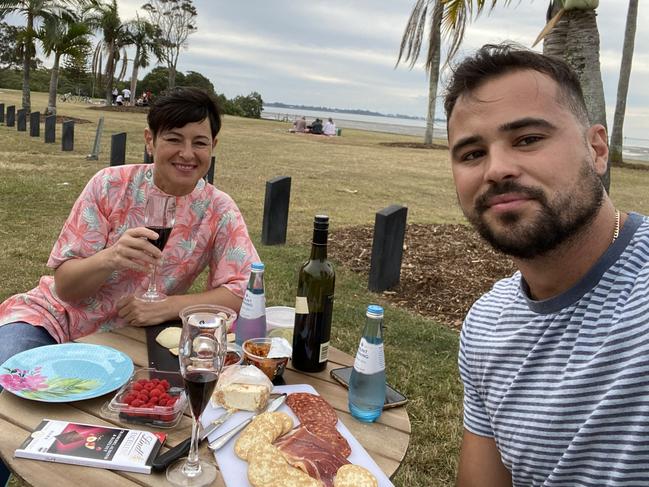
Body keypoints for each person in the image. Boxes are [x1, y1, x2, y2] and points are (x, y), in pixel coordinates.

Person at [448, 43, 649, 486]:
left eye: (528, 139)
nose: (496, 169)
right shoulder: (486, 326)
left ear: (597, 149)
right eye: (472, 154)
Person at [0, 86, 259, 368]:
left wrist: (169, 307)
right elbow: (65, 288)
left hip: (133, 337)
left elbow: (245, 291)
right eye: (174, 139)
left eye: (200, 143)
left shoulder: (218, 208)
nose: (187, 154)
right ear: (150, 140)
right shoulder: (110, 185)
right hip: (53, 322)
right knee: (12, 379)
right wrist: (110, 257)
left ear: (213, 146)